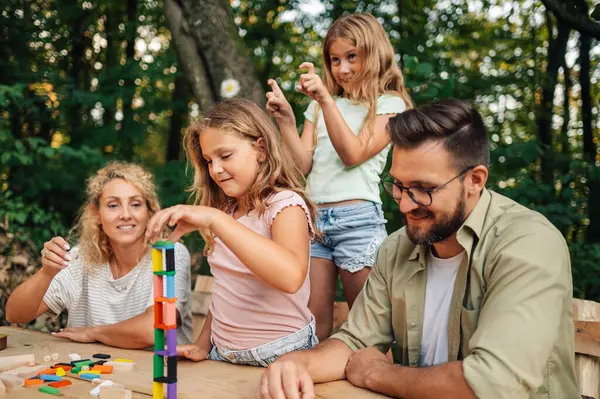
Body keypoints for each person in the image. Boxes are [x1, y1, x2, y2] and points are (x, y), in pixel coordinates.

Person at [257, 99, 579, 399]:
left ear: (475, 180)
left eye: (424, 189)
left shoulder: (528, 243)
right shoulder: (396, 247)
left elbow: (494, 382)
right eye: (398, 185)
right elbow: (355, 341)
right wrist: (298, 365)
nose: (406, 205)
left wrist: (377, 374)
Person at [266, 12, 412, 341]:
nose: (342, 69)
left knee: (368, 323)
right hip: (315, 221)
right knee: (313, 322)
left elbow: (353, 153)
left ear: (373, 55)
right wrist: (287, 120)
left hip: (358, 221)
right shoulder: (319, 108)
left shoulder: (389, 104)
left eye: (351, 58)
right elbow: (301, 165)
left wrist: (325, 100)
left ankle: (376, 381)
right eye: (334, 60)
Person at [146, 99, 318, 367]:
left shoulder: (285, 205)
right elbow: (228, 290)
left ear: (260, 149)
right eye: (208, 161)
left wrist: (215, 220)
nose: (215, 169)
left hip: (281, 355)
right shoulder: (225, 213)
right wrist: (204, 344)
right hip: (223, 354)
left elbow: (291, 276)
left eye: (225, 156)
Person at [5, 162, 194, 349]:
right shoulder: (79, 260)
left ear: (149, 212)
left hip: (159, 375)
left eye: (136, 204)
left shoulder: (170, 254)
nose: (126, 214)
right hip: (92, 374)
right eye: (113, 205)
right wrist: (47, 272)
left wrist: (92, 332)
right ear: (96, 214)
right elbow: (15, 315)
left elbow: (155, 329)